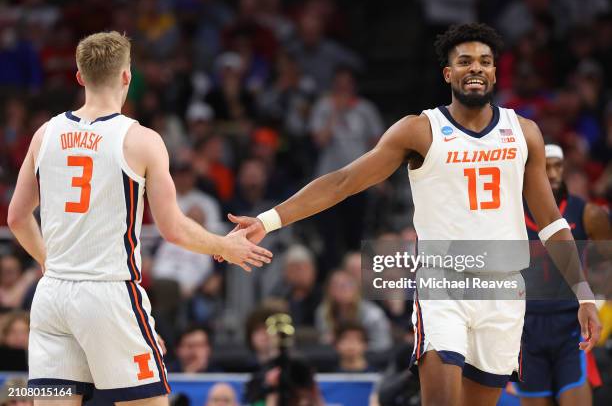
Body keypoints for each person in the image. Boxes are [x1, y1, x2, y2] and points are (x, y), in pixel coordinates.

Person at [219, 23, 602, 405]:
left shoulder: (524, 132)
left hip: (504, 288)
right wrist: (269, 220)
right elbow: (343, 181)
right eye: (465, 61)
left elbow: (552, 224)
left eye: (485, 61)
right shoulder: (420, 130)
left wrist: (583, 294)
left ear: (495, 72)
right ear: (448, 73)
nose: (476, 68)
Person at [7, 31, 272, 406]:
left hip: (51, 297)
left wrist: (51, 264)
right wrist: (224, 246)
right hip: (108, 291)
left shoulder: (44, 134)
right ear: (127, 76)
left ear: (79, 77)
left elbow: (17, 218)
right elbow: (172, 227)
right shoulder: (141, 139)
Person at [514, 144, 610, 405]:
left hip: (570, 323)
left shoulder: (587, 213)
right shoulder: (510, 214)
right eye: (546, 167)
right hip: (526, 327)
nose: (554, 174)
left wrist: (596, 294)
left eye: (558, 166)